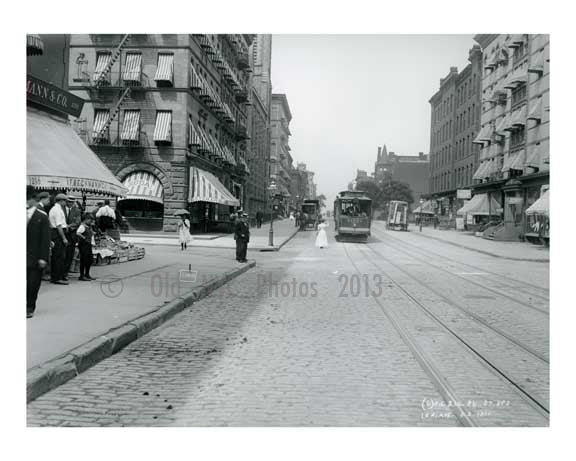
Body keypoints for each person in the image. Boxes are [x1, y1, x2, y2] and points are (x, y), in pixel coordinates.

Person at [27, 193, 51, 318]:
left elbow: (45, 239)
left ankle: (29, 307)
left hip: (35, 257)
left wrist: (43, 257)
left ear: (34, 201)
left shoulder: (41, 216)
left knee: (32, 283)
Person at [49, 193, 70, 285]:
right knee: (59, 256)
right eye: (65, 200)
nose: (66, 202)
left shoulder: (57, 209)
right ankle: (57, 277)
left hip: (56, 233)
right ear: (61, 201)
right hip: (57, 234)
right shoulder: (57, 210)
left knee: (58, 256)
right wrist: (64, 238)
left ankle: (56, 276)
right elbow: (58, 225)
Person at [64, 195, 81, 279]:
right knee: (62, 254)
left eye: (72, 202)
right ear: (66, 202)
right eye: (69, 201)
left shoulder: (77, 211)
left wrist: (68, 226)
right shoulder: (62, 209)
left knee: (69, 255)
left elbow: (78, 222)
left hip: (71, 235)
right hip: (62, 234)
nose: (70, 203)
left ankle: (65, 272)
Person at [76, 214, 96, 281]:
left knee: (89, 260)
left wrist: (92, 232)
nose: (91, 222)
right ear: (86, 219)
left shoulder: (88, 226)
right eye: (90, 220)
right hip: (84, 245)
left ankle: (87, 274)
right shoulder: (82, 226)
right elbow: (78, 233)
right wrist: (84, 237)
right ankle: (82, 275)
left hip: (88, 244)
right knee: (84, 260)